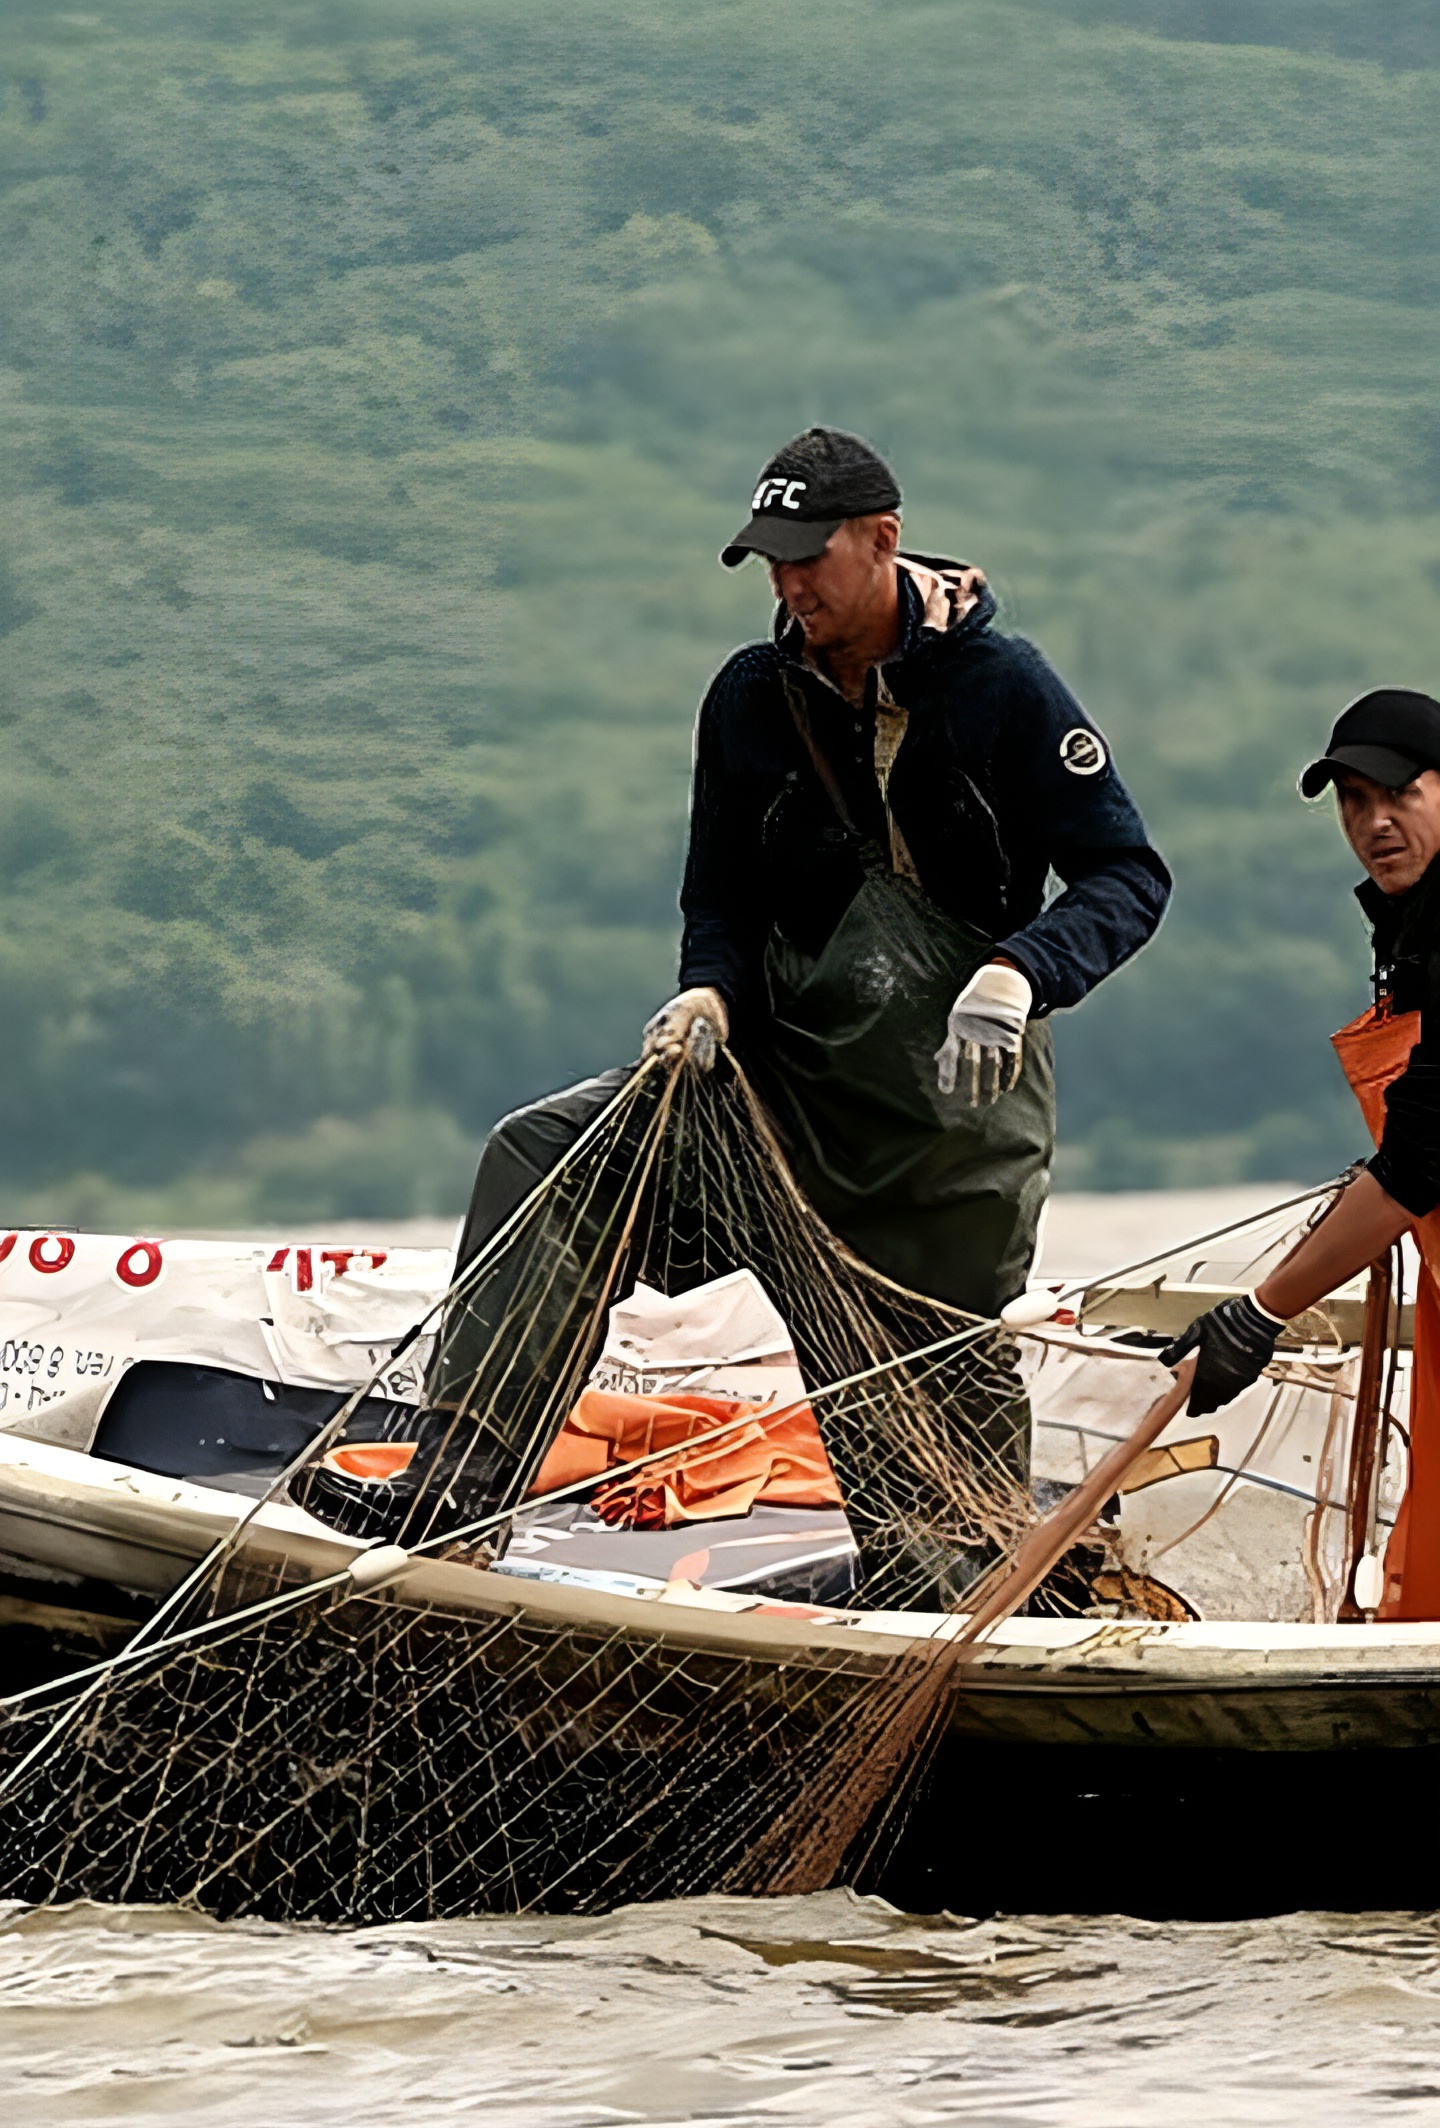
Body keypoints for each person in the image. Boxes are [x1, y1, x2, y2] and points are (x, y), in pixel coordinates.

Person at [446, 424, 1171, 1346]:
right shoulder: (750, 697)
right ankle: (463, 1471)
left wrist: (1020, 971)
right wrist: (708, 992)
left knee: (918, 1463)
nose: (789, 584)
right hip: (783, 1105)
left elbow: (1128, 874)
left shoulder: (1004, 684)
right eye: (769, 563)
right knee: (548, 1156)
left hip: (946, 1137)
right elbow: (720, 901)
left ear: (882, 536)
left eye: (807, 556)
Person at [1161, 689, 1440, 1618]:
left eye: (1397, 793)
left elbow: (1416, 1164)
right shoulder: (1407, 929)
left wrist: (1258, 1314)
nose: (1374, 822)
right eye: (1352, 801)